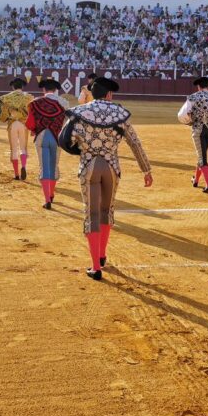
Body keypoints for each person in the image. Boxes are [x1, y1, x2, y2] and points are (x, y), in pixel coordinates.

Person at [65, 77, 152, 280]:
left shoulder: (79, 112)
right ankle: (103, 255)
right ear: (109, 94)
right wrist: (146, 169)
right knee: (106, 210)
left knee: (91, 213)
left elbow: (66, 139)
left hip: (89, 166)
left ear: (91, 94)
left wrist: (83, 150)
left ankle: (95, 267)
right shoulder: (119, 113)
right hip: (112, 166)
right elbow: (134, 143)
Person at [26, 78, 67, 209]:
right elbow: (68, 123)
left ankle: (47, 199)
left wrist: (34, 130)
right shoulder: (64, 102)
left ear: (43, 89)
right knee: (54, 165)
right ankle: (52, 194)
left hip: (42, 137)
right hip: (58, 137)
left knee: (44, 167)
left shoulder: (35, 103)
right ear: (56, 90)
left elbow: (30, 123)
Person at [0, 78, 33, 180]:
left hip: (12, 124)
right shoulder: (29, 97)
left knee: (14, 149)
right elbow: (32, 112)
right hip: (23, 124)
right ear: (22, 87)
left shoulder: (7, 97)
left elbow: (1, 113)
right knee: (23, 148)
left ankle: (16, 174)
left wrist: (6, 118)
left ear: (13, 87)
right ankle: (24, 166)